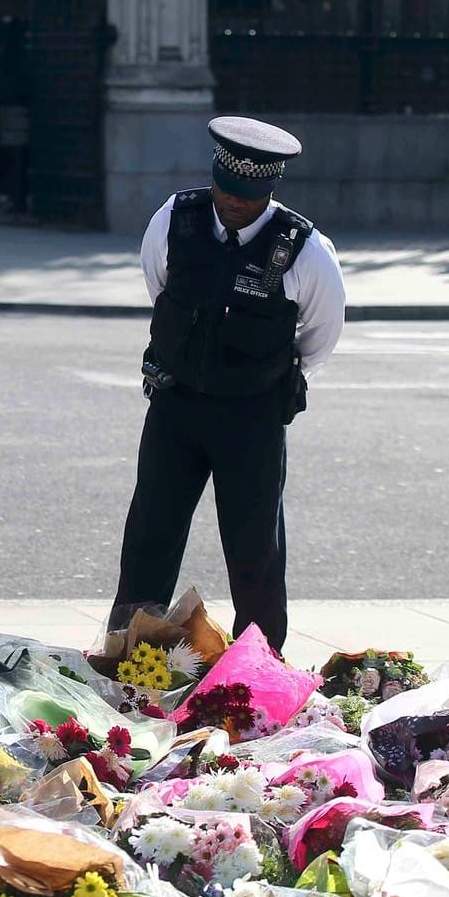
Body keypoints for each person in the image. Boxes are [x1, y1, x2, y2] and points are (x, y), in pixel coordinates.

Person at [106, 117, 347, 651]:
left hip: (252, 416)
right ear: (215, 177)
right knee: (151, 531)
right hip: (176, 404)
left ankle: (258, 668)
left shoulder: (304, 248)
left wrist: (268, 376)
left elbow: (321, 334)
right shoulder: (177, 218)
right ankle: (128, 653)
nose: (235, 204)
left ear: (271, 188)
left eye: (250, 196)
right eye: (228, 191)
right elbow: (160, 287)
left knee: (254, 547)